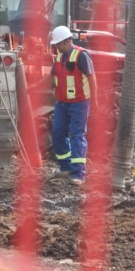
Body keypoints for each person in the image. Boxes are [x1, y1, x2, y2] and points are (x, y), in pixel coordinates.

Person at [49, 25, 98, 182]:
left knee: (77, 135)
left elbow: (92, 78)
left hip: (80, 103)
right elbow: (51, 77)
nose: (56, 47)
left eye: (57, 44)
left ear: (66, 41)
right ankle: (66, 167)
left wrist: (95, 100)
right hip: (62, 103)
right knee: (57, 132)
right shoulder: (58, 58)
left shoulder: (81, 56)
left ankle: (78, 174)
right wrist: (32, 88)